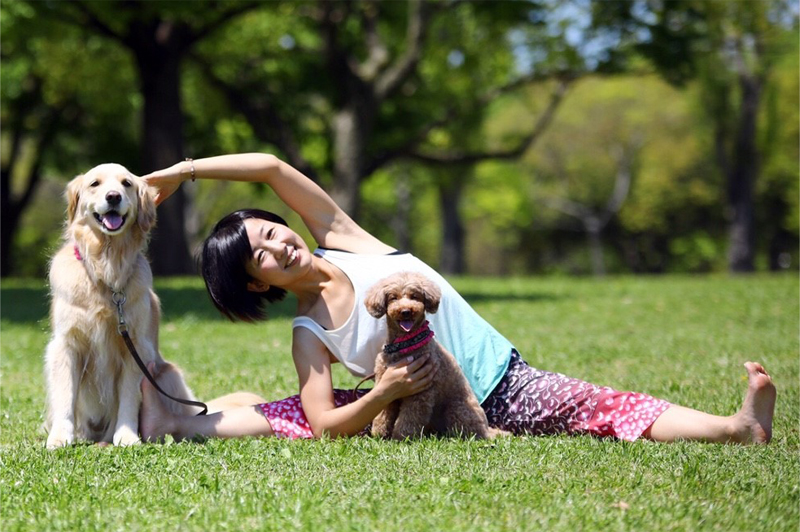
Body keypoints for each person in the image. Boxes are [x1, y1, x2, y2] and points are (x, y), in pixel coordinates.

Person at [139, 153, 776, 444]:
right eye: (260, 255)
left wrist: (182, 172)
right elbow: (330, 425)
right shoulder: (310, 330)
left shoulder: (345, 241)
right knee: (302, 416)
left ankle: (735, 427)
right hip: (422, 411)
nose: (279, 245)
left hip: (501, 381)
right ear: (258, 284)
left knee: (600, 406)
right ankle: (184, 418)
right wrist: (385, 394)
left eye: (272, 230)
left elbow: (273, 168)